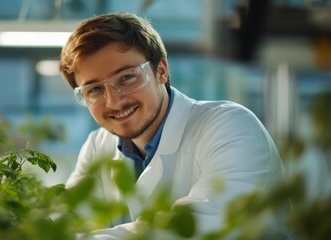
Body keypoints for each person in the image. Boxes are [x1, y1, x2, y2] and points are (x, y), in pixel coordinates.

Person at [59, 12, 286, 239]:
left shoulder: (230, 126)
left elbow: (195, 229)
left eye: (127, 77)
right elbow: (65, 224)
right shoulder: (97, 147)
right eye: (95, 90)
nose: (114, 101)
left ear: (161, 71)